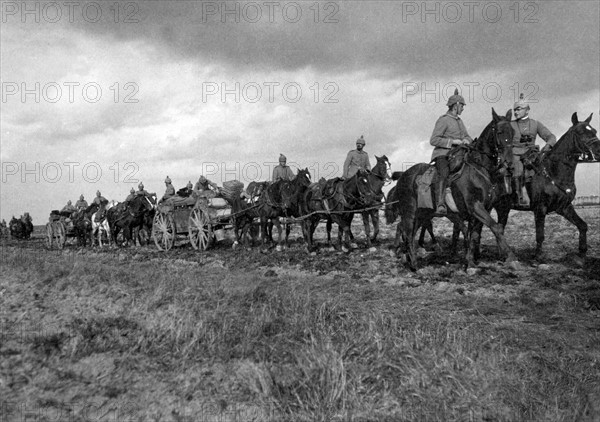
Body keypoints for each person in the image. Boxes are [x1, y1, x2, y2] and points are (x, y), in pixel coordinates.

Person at [429, 88, 473, 215]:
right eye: (462, 106)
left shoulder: (460, 121)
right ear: (456, 106)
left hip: (459, 154)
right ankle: (440, 204)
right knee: (444, 173)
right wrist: (453, 142)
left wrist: (467, 140)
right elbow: (434, 140)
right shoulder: (443, 120)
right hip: (443, 155)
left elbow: (467, 136)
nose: (463, 109)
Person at [511, 93, 557, 207]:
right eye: (514, 110)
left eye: (519, 109)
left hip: (532, 154)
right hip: (515, 154)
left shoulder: (535, 124)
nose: (516, 112)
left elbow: (551, 137)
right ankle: (518, 198)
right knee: (518, 170)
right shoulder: (510, 125)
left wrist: (548, 146)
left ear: (527, 110)